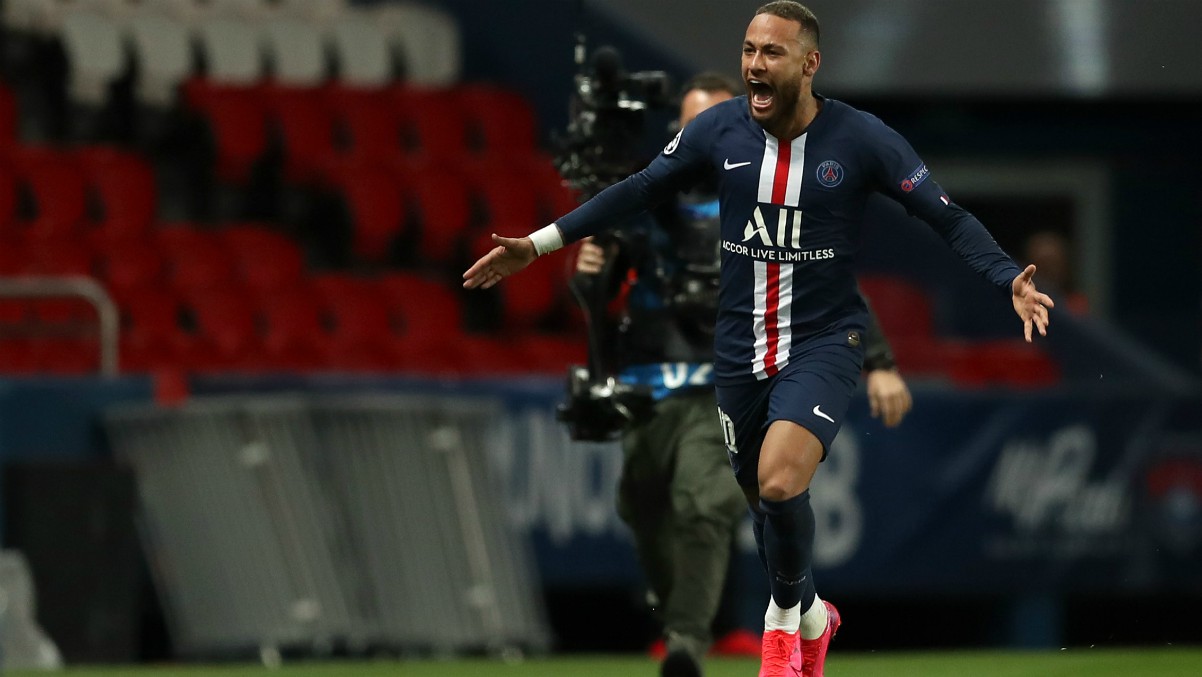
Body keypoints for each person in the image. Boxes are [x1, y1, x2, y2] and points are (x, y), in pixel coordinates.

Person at [464, 3, 1053, 675]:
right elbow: (642, 187)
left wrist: (1007, 276)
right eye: (748, 50)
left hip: (824, 342)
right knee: (769, 511)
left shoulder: (863, 140)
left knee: (778, 483)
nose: (754, 65)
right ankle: (811, 614)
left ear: (810, 63)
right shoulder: (718, 131)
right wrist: (538, 245)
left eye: (771, 52)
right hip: (740, 351)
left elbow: (945, 216)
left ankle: (779, 630)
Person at [573, 71, 913, 677]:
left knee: (702, 505)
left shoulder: (766, 188)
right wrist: (590, 270)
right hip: (652, 384)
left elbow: (828, 285)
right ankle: (793, 613)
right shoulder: (650, 200)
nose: (696, 133)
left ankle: (686, 640)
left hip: (731, 377)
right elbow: (597, 294)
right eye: (686, 122)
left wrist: (880, 361)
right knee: (643, 505)